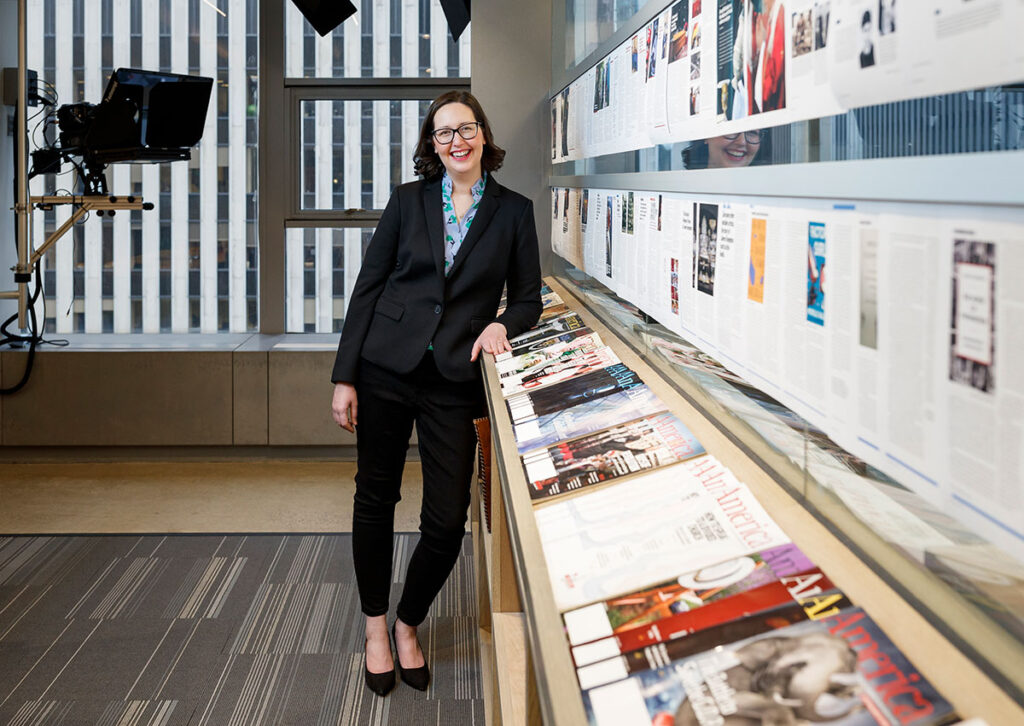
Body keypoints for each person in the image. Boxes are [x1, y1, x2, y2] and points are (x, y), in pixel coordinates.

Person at [330, 90, 542, 696]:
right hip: (386, 369)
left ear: (483, 134)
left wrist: (504, 323)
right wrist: (345, 376)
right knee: (374, 498)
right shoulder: (408, 202)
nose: (457, 141)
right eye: (444, 133)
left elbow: (528, 296)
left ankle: (408, 621)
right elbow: (368, 288)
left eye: (466, 129)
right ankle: (375, 629)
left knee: (447, 522)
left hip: (455, 379)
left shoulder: (513, 211)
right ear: (432, 144)